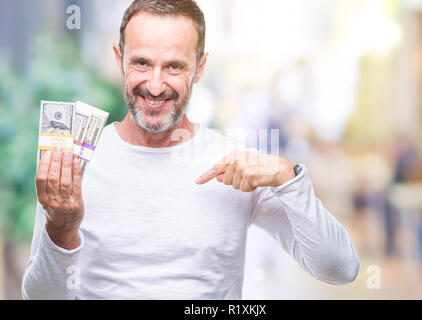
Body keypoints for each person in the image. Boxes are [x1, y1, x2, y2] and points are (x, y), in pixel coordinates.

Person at [22, 0, 360, 299]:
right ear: (119, 58)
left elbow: (340, 268)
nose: (155, 86)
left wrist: (290, 177)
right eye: (141, 62)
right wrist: (62, 229)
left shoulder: (234, 163)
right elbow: (40, 298)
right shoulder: (74, 162)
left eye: (174, 66)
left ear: (199, 67)